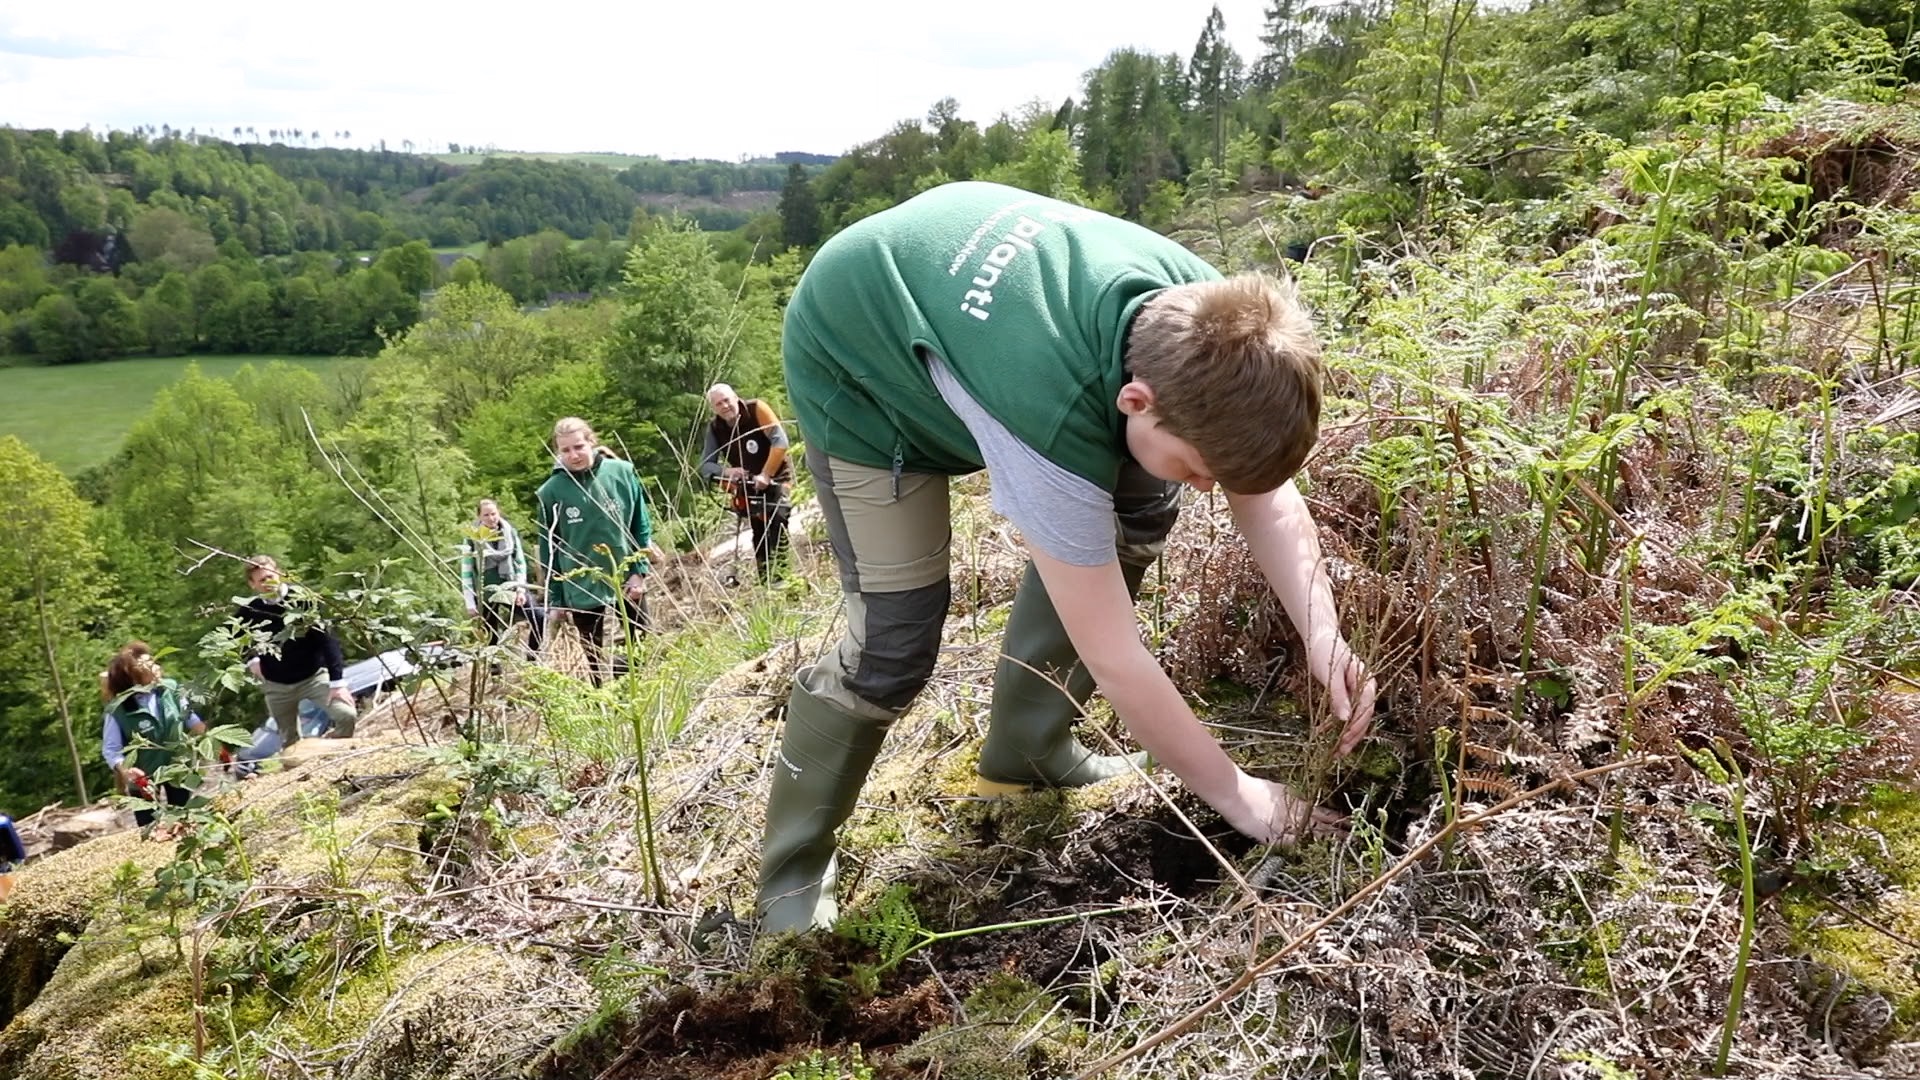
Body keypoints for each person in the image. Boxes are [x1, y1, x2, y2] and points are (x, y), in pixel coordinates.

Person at [757, 181, 1379, 932]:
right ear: (1135, 400)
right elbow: (1113, 652)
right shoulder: (1048, 406)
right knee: (894, 638)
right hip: (864, 365)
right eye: (1201, 467)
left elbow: (1265, 494)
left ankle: (1027, 752)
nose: (1213, 490)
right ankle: (791, 880)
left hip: (979, 326)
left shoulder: (1217, 329)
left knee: (1146, 496)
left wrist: (1322, 631)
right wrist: (1240, 795)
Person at [535, 417, 654, 684]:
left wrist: (639, 572)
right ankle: (603, 702)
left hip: (625, 572)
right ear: (558, 452)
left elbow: (640, 524)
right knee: (593, 651)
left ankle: (630, 691)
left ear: (592, 443)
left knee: (640, 638)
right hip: (581, 583)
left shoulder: (621, 472)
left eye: (579, 446)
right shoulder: (550, 493)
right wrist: (557, 598)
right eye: (565, 450)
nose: (574, 455)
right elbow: (548, 549)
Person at [234, 555, 358, 745]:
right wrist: (251, 660)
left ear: (280, 573)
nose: (268, 582)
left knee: (346, 715)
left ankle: (333, 750)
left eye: (270, 576)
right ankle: (301, 769)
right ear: (252, 585)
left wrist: (337, 683)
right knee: (289, 741)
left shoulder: (304, 600)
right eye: (262, 580)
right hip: (277, 685)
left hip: (314, 677)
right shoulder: (249, 611)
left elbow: (329, 641)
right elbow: (234, 637)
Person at [101, 642, 207, 827]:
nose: (157, 667)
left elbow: (188, 717)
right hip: (142, 776)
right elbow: (111, 749)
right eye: (149, 665)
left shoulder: (170, 688)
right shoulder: (117, 710)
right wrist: (124, 770)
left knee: (184, 817)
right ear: (133, 677)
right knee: (149, 826)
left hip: (177, 765)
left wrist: (210, 738)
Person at [699, 383, 794, 583]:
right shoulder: (716, 427)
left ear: (735, 397)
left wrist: (766, 474)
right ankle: (767, 585)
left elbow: (780, 442)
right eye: (718, 404)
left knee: (777, 525)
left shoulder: (756, 409)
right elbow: (706, 466)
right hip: (748, 489)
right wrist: (727, 471)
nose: (724, 406)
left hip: (777, 480)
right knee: (759, 535)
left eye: (726, 400)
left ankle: (783, 582)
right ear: (714, 408)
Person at [461, 498, 545, 659]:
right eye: (486, 515)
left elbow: (519, 562)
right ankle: (494, 673)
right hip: (486, 592)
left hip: (511, 587)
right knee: (489, 635)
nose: (491, 518)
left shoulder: (509, 532)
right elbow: (466, 571)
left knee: (539, 617)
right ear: (479, 517)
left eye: (493, 514)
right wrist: (470, 602)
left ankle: (533, 657)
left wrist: (520, 589)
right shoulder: (472, 538)